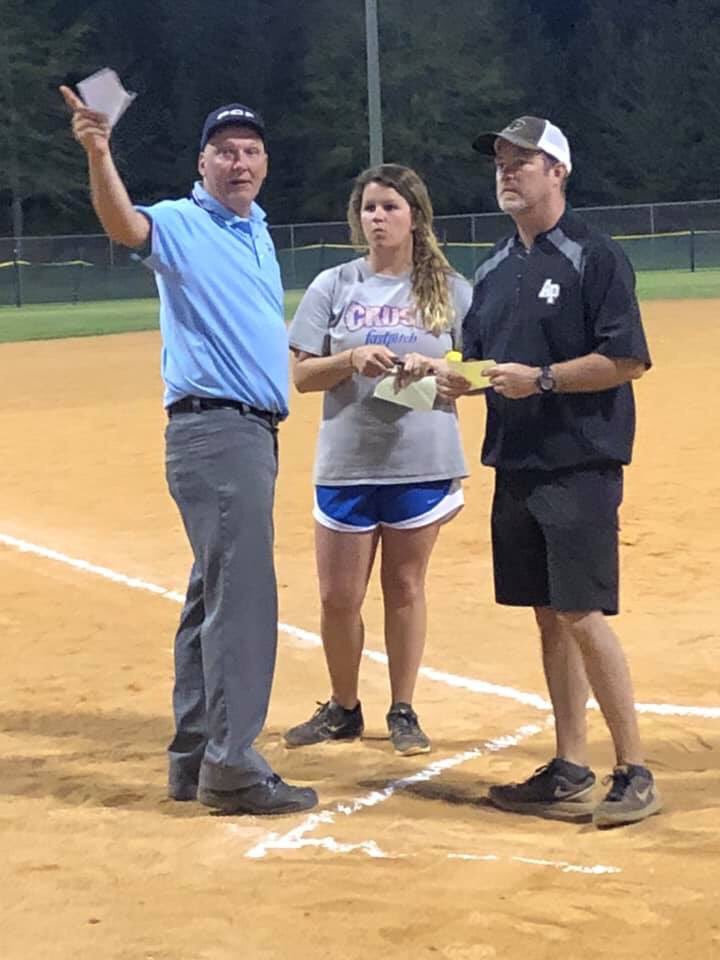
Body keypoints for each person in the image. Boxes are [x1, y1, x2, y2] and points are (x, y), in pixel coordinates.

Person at [59, 86, 317, 816]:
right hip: (218, 431)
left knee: (213, 592)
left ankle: (196, 756)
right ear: (201, 163)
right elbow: (124, 224)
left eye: (251, 151)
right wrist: (100, 154)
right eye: (225, 152)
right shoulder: (181, 221)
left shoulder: (256, 231)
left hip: (247, 434)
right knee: (243, 600)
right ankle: (232, 766)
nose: (240, 163)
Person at [436, 116, 661, 828]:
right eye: (500, 161)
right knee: (547, 614)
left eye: (522, 160)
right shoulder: (495, 270)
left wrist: (543, 379)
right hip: (517, 462)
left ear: (557, 172)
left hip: (579, 459)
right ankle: (570, 765)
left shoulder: (595, 258)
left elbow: (626, 359)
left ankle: (635, 770)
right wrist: (443, 379)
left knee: (582, 612)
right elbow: (479, 366)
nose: (506, 171)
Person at [283, 164, 472, 756]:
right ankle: (343, 706)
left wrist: (438, 369)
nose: (378, 218)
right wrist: (351, 358)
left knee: (406, 587)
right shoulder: (333, 284)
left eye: (390, 206)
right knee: (338, 596)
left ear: (415, 214)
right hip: (348, 461)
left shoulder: (450, 289)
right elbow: (302, 376)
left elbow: (480, 373)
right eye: (369, 207)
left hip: (422, 458)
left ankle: (403, 708)